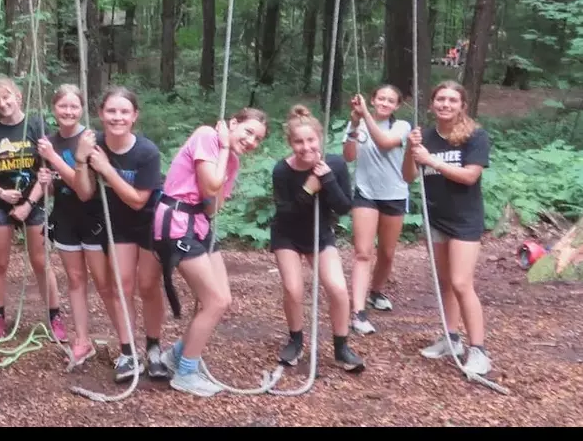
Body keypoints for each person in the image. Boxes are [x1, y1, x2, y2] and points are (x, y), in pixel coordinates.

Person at [151, 108, 268, 397]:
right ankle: (186, 373)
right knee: (213, 301)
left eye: (258, 139)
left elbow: (213, 205)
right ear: (233, 124)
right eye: (248, 132)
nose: (252, 141)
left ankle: (176, 356)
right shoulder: (207, 136)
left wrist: (227, 157)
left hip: (199, 224)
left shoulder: (232, 162)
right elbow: (211, 184)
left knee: (223, 299)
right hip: (176, 223)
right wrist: (225, 147)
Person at [70, 86, 166, 382]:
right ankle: (128, 351)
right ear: (100, 114)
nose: (117, 117)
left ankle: (153, 347)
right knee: (121, 287)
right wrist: (80, 159)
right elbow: (85, 194)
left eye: (124, 112)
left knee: (148, 286)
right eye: (111, 111)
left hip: (148, 221)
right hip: (118, 223)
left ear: (135, 116)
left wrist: (107, 169)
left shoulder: (146, 152)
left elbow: (138, 200)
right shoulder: (93, 144)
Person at [402, 80, 492, 375]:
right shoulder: (426, 136)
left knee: (461, 282)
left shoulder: (475, 136)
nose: (446, 104)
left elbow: (469, 176)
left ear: (462, 106)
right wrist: (410, 149)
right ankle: (451, 338)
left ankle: (479, 350)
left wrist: (432, 161)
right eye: (440, 99)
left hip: (465, 220)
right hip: (436, 218)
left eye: (452, 100)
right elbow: (408, 176)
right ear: (432, 104)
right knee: (445, 282)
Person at [270, 105, 364, 372]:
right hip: (287, 234)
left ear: (319, 139)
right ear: (291, 143)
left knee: (337, 288)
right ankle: (296, 339)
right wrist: (309, 189)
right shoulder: (282, 170)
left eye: (310, 140)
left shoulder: (334, 164)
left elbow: (344, 206)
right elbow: (285, 213)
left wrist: (327, 179)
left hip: (319, 233)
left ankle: (341, 347)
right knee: (294, 288)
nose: (306, 147)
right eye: (299, 142)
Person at [0, 76, 67, 343]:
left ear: (18, 96)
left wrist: (28, 205)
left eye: (7, 97)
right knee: (0, 263)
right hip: (0, 202)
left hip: (33, 201)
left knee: (41, 262)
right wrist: (2, 193)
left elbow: (46, 168)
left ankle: (55, 317)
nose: (3, 104)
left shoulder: (36, 124)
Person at [36, 84, 101, 368]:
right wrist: (45, 183)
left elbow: (82, 188)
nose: (68, 111)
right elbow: (56, 187)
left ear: (82, 109)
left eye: (74, 106)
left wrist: (51, 158)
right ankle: (82, 341)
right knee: (75, 280)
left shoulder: (90, 139)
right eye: (63, 106)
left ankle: (127, 344)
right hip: (64, 218)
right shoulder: (50, 141)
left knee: (106, 283)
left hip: (93, 218)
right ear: (54, 109)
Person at [342, 85, 411, 335]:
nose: (384, 102)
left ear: (397, 106)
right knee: (363, 253)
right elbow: (349, 156)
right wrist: (353, 126)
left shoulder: (401, 126)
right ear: (372, 100)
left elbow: (384, 143)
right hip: (365, 193)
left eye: (390, 100)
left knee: (387, 253)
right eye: (380, 98)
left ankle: (376, 291)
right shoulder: (358, 124)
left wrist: (364, 117)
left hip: (394, 194)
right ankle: (358, 312)